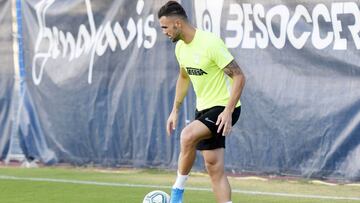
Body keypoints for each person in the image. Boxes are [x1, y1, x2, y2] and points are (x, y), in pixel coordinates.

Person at [158, 1, 245, 203]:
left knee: (187, 135)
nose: (164, 32)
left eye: (165, 27)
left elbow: (239, 76)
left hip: (225, 107)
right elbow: (184, 77)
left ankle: (176, 196)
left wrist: (228, 111)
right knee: (214, 166)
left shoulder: (210, 43)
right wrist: (175, 110)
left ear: (177, 24)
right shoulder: (180, 48)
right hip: (204, 110)